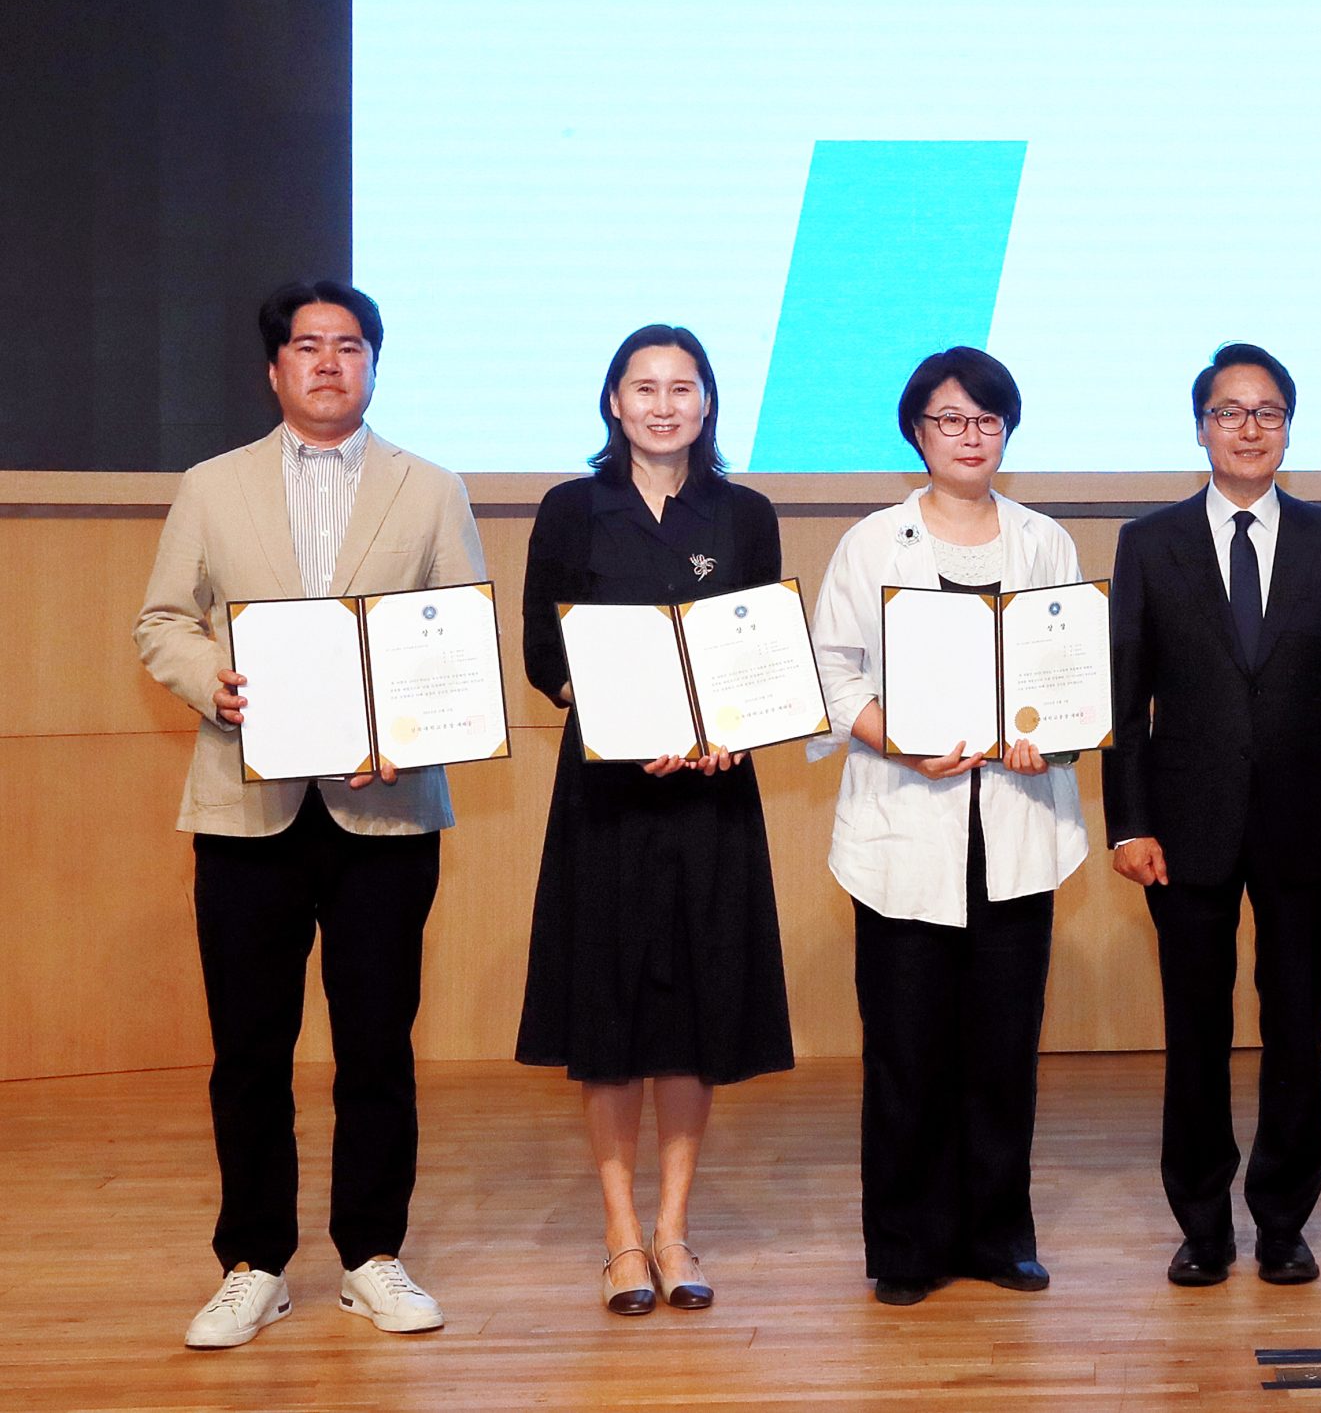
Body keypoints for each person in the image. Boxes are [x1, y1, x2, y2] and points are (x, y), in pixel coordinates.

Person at [135, 280, 484, 1348]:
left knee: (377, 1046)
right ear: (274, 368)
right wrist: (215, 681)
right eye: (308, 346)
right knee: (250, 1048)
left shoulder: (430, 487)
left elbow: (457, 638)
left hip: (389, 808)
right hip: (248, 807)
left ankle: (373, 1256)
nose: (329, 362)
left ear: (374, 364)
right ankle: (253, 1263)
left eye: (349, 346)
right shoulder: (213, 484)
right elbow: (162, 621)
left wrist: (412, 728)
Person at [515, 324, 796, 1314]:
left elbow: (762, 652)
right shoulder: (570, 508)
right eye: (645, 387)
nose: (664, 404)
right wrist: (623, 724)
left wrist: (734, 730)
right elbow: (543, 656)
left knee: (691, 1011)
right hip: (607, 795)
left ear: (707, 402)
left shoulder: (745, 513)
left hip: (710, 796)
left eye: (683, 387)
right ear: (614, 401)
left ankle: (674, 1230)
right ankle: (620, 1236)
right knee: (610, 1010)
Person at [808, 347, 1088, 1306]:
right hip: (904, 823)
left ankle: (999, 1237)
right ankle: (905, 1247)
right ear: (916, 432)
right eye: (950, 419)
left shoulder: (1045, 542)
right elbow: (833, 669)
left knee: (1003, 1049)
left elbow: (1066, 673)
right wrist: (899, 739)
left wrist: (1050, 738)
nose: (970, 436)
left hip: (1014, 824)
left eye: (987, 419)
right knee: (906, 1048)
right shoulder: (871, 543)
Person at [1103, 342, 1321, 1289]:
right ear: (1201, 428)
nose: (1250, 428)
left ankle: (1283, 1221)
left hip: (1311, 828)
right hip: (1183, 830)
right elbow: (1124, 699)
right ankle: (1201, 1224)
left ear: (1288, 428)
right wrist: (1129, 823)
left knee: (1296, 1028)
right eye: (1230, 411)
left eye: (1268, 412)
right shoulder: (1149, 541)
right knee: (1195, 1029)